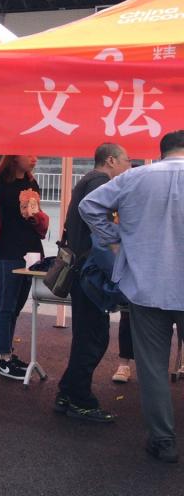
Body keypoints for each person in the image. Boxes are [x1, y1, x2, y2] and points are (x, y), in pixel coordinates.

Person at [79, 131, 184, 463]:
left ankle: (163, 440)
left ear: (163, 151)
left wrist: (119, 237)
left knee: (152, 368)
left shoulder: (136, 177)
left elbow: (89, 206)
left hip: (146, 285)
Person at [54, 143, 130, 423]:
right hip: (90, 275)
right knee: (93, 340)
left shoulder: (86, 181)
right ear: (111, 160)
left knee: (86, 337)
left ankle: (67, 392)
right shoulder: (100, 184)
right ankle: (80, 401)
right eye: (126, 160)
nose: (128, 166)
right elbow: (101, 239)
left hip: (80, 272)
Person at [0, 155, 50, 380]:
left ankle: (8, 352)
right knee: (5, 304)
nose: (35, 158)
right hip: (6, 251)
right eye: (29, 155)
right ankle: (3, 358)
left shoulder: (32, 184)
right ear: (14, 158)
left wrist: (35, 216)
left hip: (31, 251)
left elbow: (37, 218)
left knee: (16, 305)